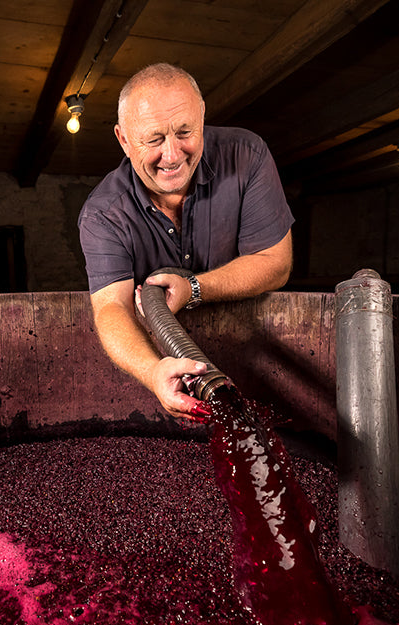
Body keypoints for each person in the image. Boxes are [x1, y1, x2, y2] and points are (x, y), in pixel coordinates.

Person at [77, 63, 294, 422]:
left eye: (184, 132)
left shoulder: (247, 155)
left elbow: (275, 261)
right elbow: (111, 308)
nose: (173, 155)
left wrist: (194, 288)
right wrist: (153, 372)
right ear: (123, 139)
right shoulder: (102, 214)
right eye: (154, 139)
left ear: (202, 116)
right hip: (169, 380)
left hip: (255, 358)